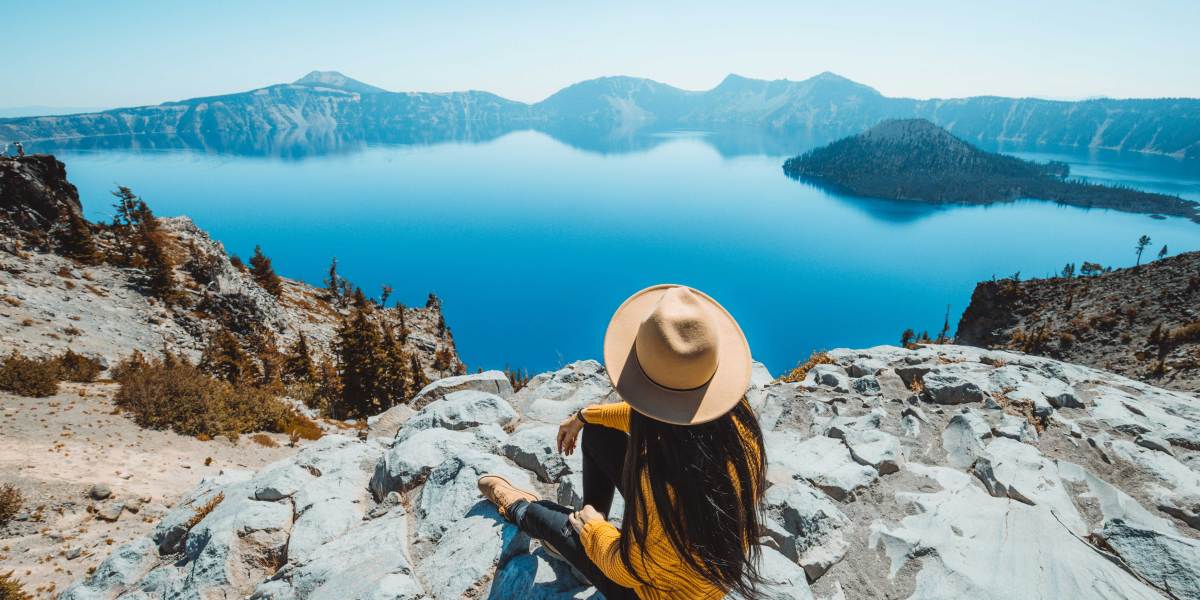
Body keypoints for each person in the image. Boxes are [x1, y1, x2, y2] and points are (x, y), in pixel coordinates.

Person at [478, 284, 767, 599]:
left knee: (549, 520)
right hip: (680, 544)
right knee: (600, 432)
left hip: (650, 591)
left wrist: (593, 530)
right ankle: (583, 528)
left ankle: (519, 507)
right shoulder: (736, 422)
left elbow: (627, 568)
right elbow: (661, 417)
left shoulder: (661, 485)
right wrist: (586, 416)